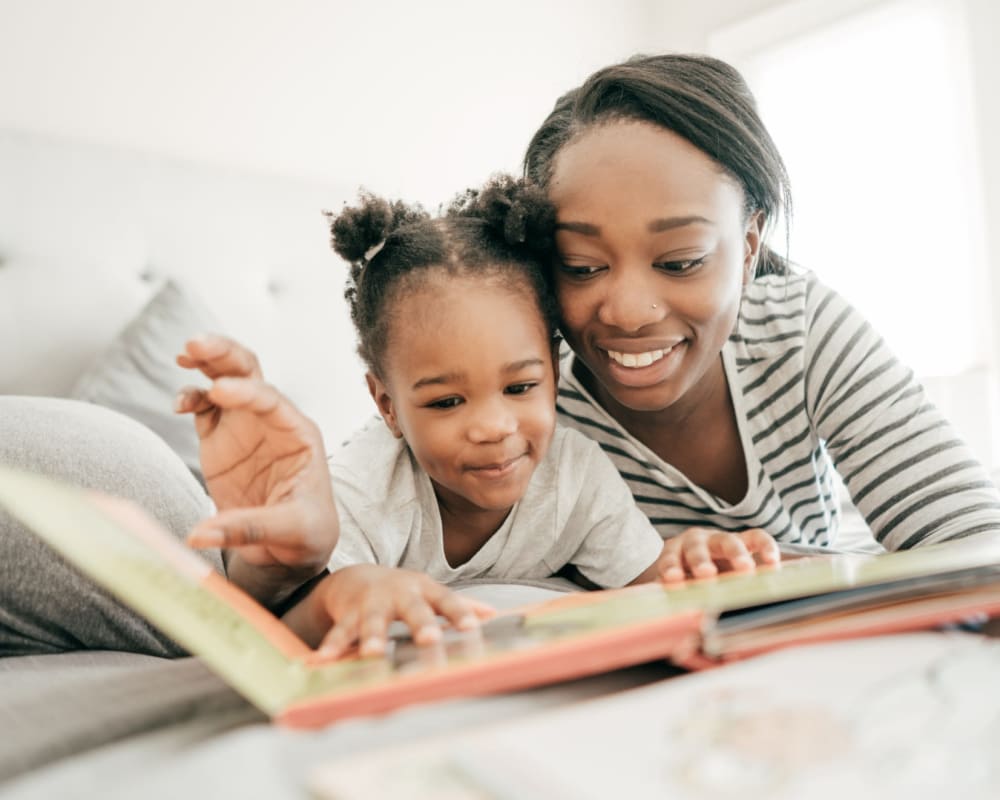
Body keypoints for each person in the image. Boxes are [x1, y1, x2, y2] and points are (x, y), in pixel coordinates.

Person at [177, 176, 780, 658]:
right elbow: (287, 618)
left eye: (521, 386)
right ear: (387, 405)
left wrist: (687, 563)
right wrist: (347, 592)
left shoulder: (576, 475)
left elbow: (647, 585)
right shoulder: (364, 488)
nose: (493, 426)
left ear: (554, 368)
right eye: (445, 402)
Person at [520, 54, 1000, 555]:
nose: (629, 312)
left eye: (681, 262)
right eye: (581, 265)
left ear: (748, 247)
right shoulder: (527, 395)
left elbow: (973, 541)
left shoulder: (800, 331)